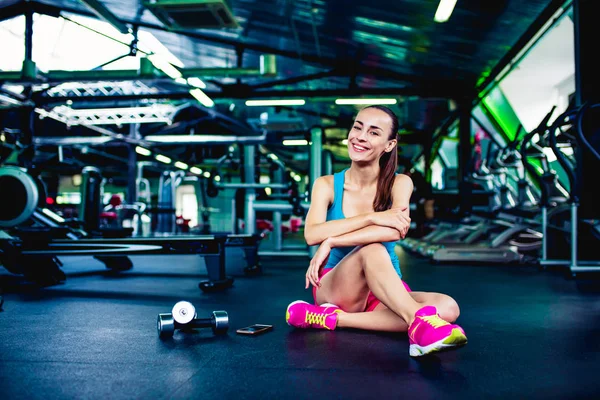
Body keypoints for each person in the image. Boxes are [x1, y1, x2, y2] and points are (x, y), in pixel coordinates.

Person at [285, 105, 467, 357]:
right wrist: (373, 217)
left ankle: (331, 319)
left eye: (373, 132)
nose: (360, 136)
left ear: (389, 145)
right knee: (371, 247)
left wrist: (333, 240)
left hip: (383, 286)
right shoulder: (326, 185)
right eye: (357, 127)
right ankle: (417, 325)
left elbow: (395, 231)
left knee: (448, 307)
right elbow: (312, 234)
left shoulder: (400, 183)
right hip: (338, 285)